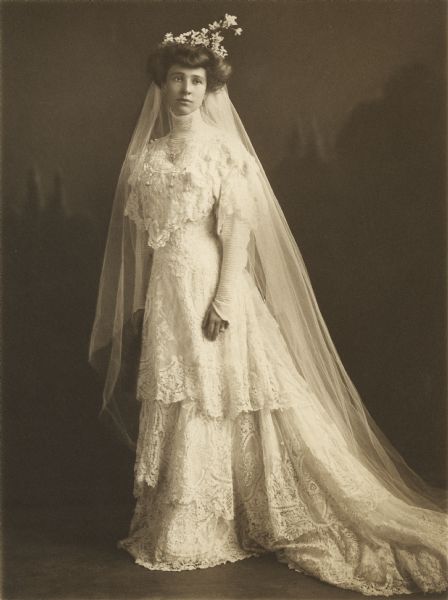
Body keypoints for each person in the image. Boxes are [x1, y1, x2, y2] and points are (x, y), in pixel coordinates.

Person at [89, 15, 447, 596]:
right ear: (161, 84)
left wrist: (225, 298)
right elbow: (148, 244)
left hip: (211, 286)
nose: (185, 91)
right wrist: (147, 307)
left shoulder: (224, 154)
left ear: (211, 90)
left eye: (197, 82)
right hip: (168, 293)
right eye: (177, 79)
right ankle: (172, 522)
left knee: (212, 396)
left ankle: (201, 526)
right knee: (177, 394)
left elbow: (238, 234)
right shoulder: (147, 160)